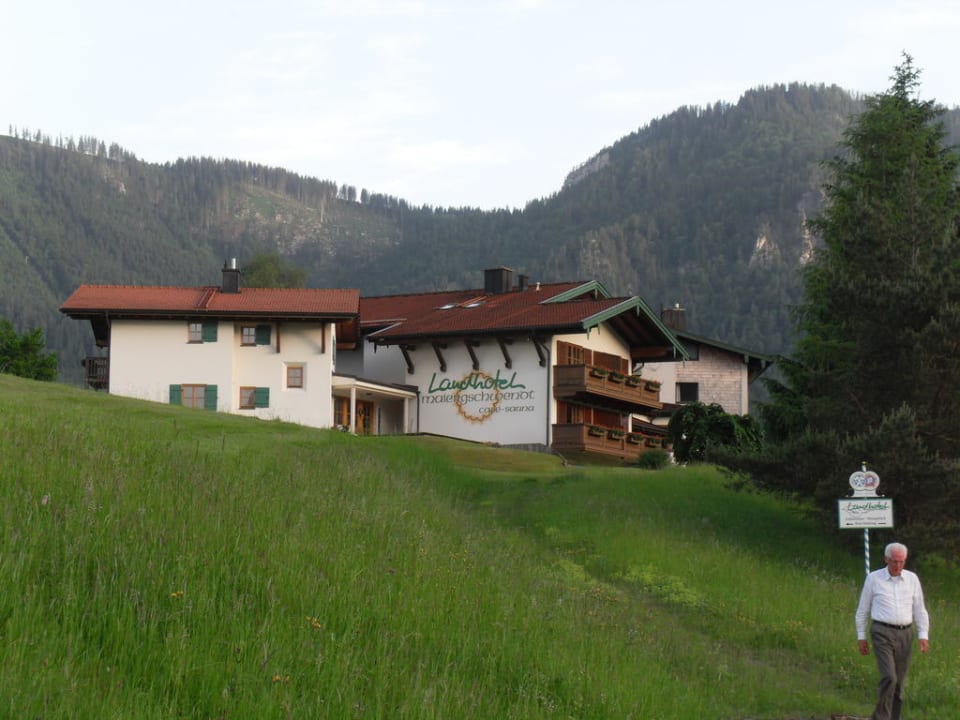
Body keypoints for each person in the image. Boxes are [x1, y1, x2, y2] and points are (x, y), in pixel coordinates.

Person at [855, 542, 930, 720]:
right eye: (894, 561)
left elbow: (920, 609)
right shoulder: (874, 579)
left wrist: (923, 635)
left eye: (901, 561)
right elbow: (863, 610)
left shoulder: (912, 579)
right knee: (890, 676)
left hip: (905, 633)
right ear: (886, 559)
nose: (898, 565)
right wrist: (861, 636)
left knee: (899, 683)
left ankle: (894, 717)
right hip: (882, 631)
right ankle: (880, 717)